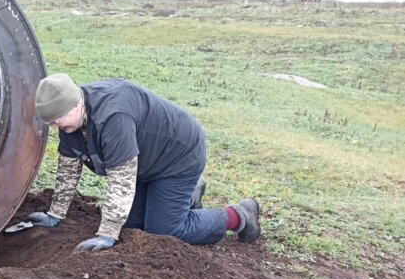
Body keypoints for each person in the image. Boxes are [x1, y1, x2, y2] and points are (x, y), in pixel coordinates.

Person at [27, 74, 260, 252]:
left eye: (58, 121)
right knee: (132, 226)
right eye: (51, 123)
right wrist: (55, 214)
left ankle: (239, 215)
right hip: (147, 163)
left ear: (76, 104)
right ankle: (186, 197)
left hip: (178, 156)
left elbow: (121, 181)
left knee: (163, 231)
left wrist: (107, 233)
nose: (56, 127)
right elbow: (68, 168)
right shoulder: (71, 121)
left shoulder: (112, 117)